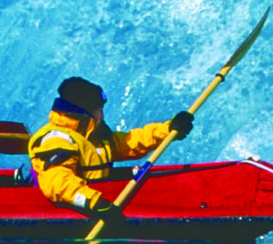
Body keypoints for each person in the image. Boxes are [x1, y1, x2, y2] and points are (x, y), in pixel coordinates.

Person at [25, 77, 194, 216]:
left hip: (100, 201)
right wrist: (95, 203)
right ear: (85, 113)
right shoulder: (57, 139)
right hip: (76, 206)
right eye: (99, 110)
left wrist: (168, 130)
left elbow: (131, 142)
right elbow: (57, 183)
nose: (103, 115)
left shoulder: (95, 136)